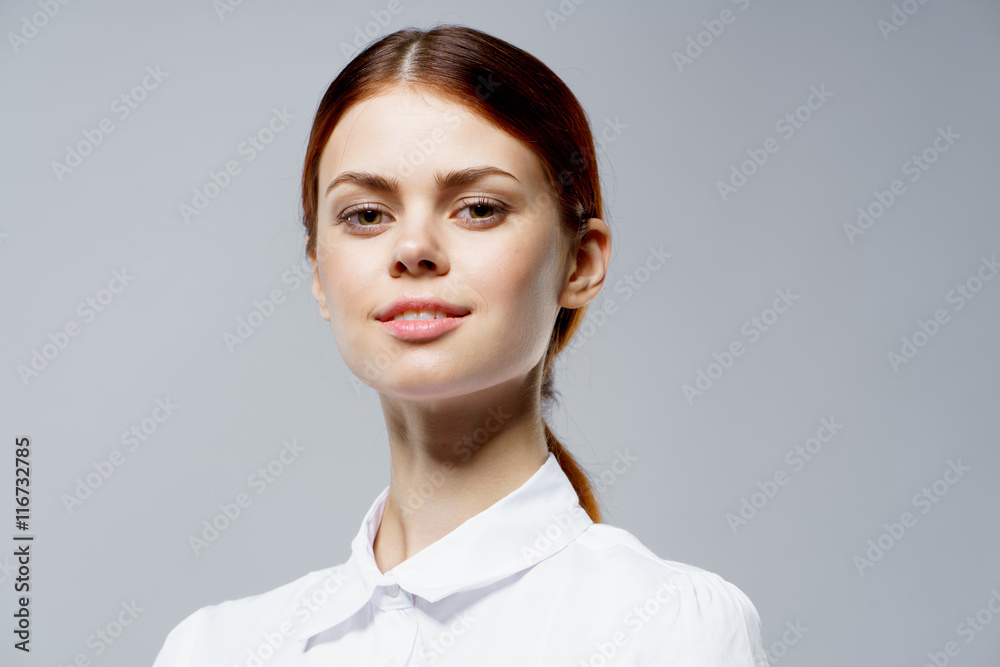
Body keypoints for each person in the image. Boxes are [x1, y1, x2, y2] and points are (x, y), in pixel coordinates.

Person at [152, 24, 769, 666]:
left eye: (478, 208)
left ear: (581, 262)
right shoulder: (214, 649)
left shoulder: (665, 628)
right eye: (367, 215)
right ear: (318, 275)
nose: (413, 248)